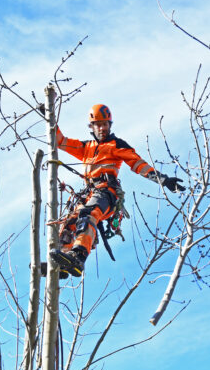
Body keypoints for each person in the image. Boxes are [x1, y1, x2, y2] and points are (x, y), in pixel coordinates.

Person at [50, 103, 185, 276]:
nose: (102, 128)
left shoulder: (117, 144)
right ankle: (62, 263)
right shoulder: (86, 147)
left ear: (109, 125)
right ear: (91, 126)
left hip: (106, 192)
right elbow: (60, 142)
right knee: (70, 222)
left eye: (105, 124)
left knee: (88, 214)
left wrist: (163, 180)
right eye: (98, 124)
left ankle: (79, 256)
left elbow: (138, 164)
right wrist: (50, 115)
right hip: (89, 193)